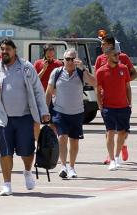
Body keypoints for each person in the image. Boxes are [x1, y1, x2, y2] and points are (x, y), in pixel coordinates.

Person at [0, 38, 50, 196]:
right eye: (2, 49)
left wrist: (44, 111)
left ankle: (27, 172)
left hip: (25, 117)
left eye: (7, 48)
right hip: (4, 118)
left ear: (14, 50)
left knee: (27, 151)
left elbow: (37, 90)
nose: (4, 51)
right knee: (5, 152)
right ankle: (7, 184)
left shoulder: (26, 67)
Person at [45, 48, 96, 179]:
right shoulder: (56, 72)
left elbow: (95, 83)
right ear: (63, 60)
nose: (70, 62)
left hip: (77, 113)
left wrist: (83, 68)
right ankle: (63, 166)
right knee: (62, 137)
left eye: (73, 59)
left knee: (74, 141)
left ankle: (72, 167)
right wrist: (45, 110)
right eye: (67, 59)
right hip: (60, 111)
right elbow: (49, 91)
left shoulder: (80, 72)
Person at [94, 35, 137, 163]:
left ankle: (122, 146)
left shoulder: (122, 57)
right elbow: (97, 78)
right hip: (107, 101)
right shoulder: (99, 59)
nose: (101, 46)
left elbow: (134, 73)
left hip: (121, 99)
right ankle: (111, 155)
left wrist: (120, 81)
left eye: (103, 44)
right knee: (109, 130)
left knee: (122, 132)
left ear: (111, 45)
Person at [33, 44, 63, 139]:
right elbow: (34, 80)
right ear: (44, 54)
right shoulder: (38, 63)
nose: (50, 58)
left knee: (53, 122)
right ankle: (38, 142)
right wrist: (43, 69)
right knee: (37, 121)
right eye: (48, 56)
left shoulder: (58, 64)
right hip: (40, 96)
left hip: (54, 97)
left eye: (52, 56)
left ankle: (52, 142)